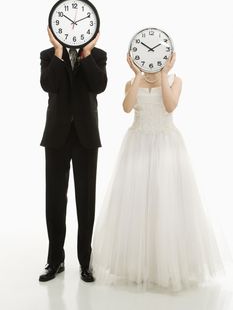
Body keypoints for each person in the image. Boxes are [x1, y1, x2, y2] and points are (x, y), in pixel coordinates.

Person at [92, 52, 224, 291]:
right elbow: (127, 107)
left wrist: (163, 75)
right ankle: (137, 266)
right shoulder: (132, 82)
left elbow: (170, 105)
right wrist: (137, 77)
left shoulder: (175, 80)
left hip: (166, 144)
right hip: (137, 143)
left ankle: (165, 265)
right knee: (137, 203)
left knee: (166, 202)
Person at [39, 27, 107, 282]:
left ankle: (85, 262)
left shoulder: (97, 56)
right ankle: (55, 260)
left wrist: (87, 54)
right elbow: (49, 85)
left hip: (86, 137)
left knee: (85, 201)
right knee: (55, 201)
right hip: (56, 136)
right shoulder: (49, 55)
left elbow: (99, 85)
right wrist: (58, 51)